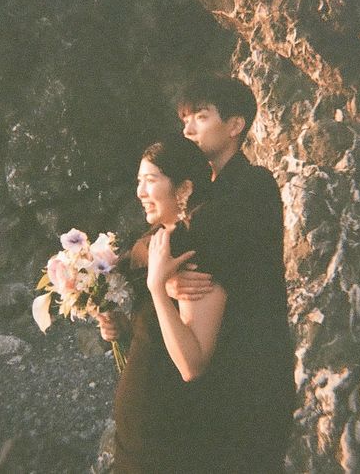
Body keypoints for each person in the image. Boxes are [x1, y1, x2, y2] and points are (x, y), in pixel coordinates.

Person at [99, 75, 294, 472]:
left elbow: (192, 243)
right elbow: (152, 244)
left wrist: (159, 274)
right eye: (185, 119)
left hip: (251, 365)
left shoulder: (252, 186)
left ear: (235, 125)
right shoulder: (205, 196)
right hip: (217, 365)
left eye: (200, 117)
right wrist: (156, 273)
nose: (187, 129)